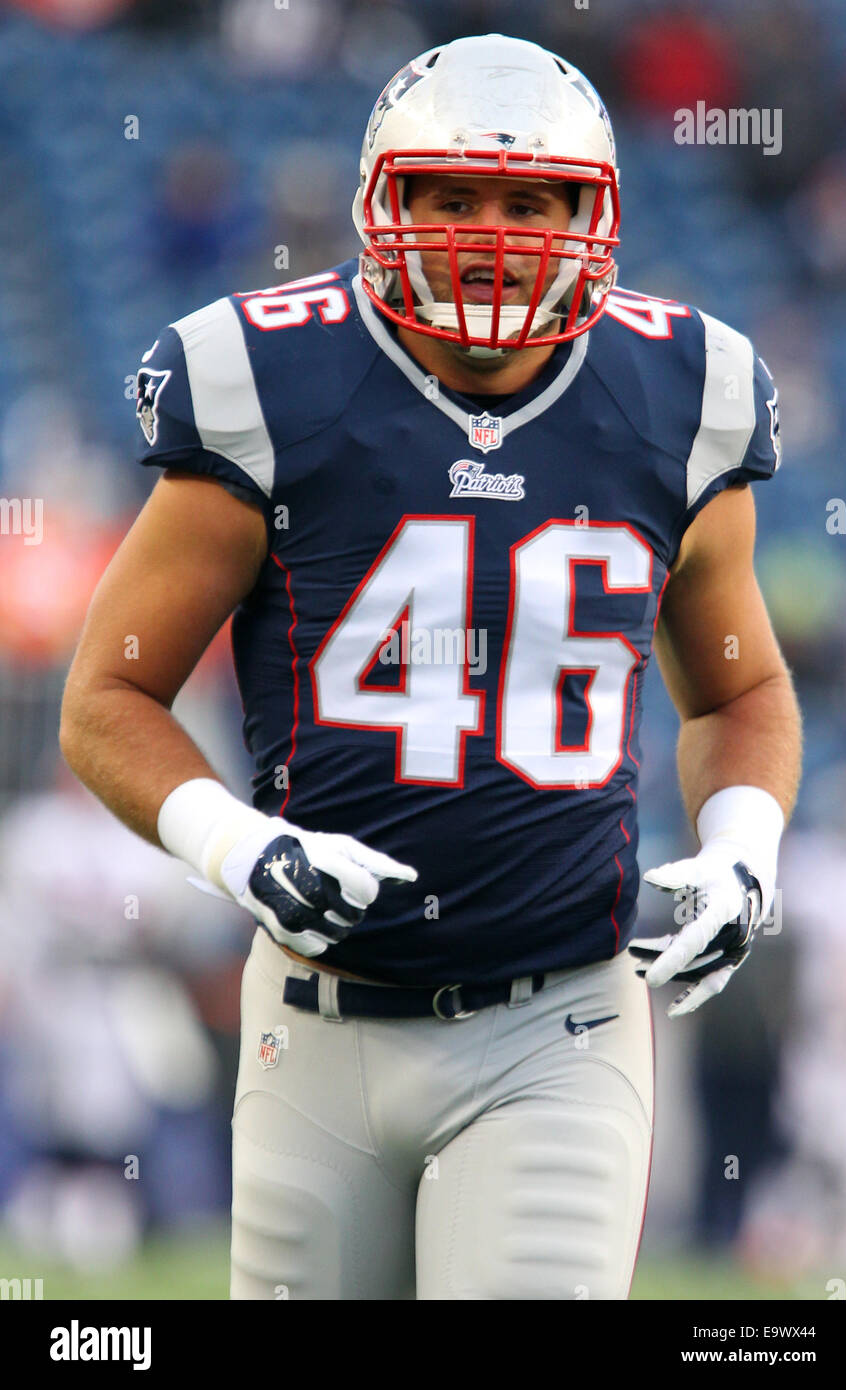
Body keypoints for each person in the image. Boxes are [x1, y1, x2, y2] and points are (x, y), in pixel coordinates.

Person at [60, 33, 802, 1299]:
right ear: (379, 204)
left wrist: (741, 845)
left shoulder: (680, 393)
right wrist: (238, 849)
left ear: (592, 216)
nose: (488, 233)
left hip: (555, 1022)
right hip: (310, 1021)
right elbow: (107, 694)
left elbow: (739, 692)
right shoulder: (268, 383)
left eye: (529, 200)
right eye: (448, 195)